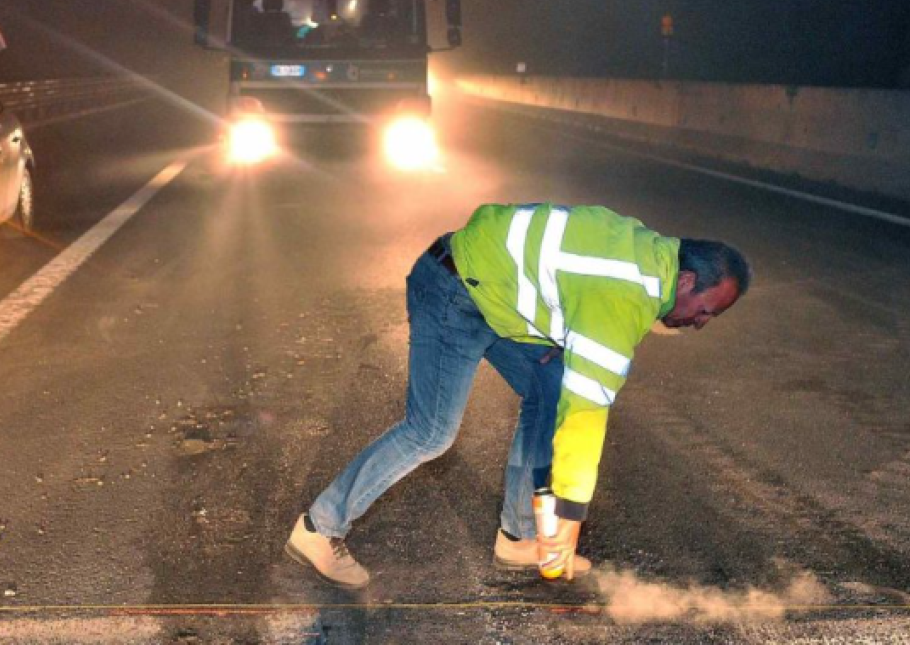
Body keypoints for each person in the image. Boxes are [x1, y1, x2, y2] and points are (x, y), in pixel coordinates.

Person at [285, 202, 751, 589]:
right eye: (705, 311)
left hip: (494, 294)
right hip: (454, 290)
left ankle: (519, 537)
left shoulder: (649, 253)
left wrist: (553, 336)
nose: (701, 323)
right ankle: (318, 529)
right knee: (430, 432)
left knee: (551, 385)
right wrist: (569, 516)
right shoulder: (626, 294)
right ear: (686, 282)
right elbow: (585, 416)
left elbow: (565, 281)